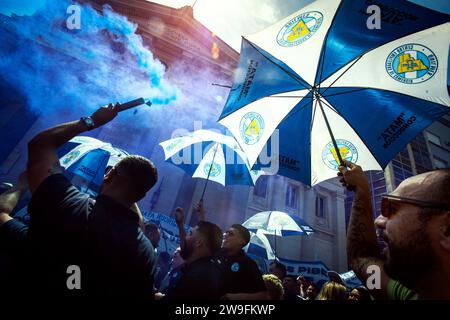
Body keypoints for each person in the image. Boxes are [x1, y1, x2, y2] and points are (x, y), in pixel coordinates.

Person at [24, 102, 158, 298]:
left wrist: (92, 120)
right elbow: (139, 225)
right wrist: (133, 186)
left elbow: (39, 145)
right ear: (142, 196)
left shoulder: (68, 201)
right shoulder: (146, 253)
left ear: (108, 176)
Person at [339, 160, 450, 300]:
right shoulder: (410, 294)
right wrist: (361, 189)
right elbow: (360, 258)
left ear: (447, 229)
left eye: (391, 208)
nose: (378, 221)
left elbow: (360, 258)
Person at [194, 201, 268, 300]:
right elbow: (205, 238)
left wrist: (236, 297)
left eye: (231, 234)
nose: (225, 235)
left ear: (241, 241)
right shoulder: (218, 253)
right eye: (226, 232)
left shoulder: (248, 264)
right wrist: (201, 215)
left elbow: (264, 296)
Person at [163, 208, 223, 300]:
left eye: (190, 233)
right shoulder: (207, 269)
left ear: (199, 242)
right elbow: (186, 247)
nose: (186, 237)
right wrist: (180, 224)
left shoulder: (195, 279)